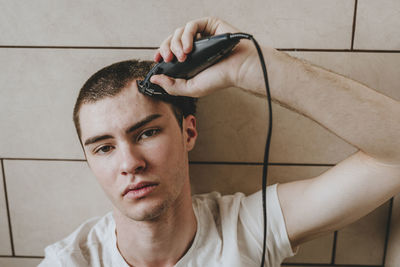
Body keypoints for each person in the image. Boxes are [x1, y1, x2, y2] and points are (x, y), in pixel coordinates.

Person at [39, 17, 400, 267]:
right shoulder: (70, 261)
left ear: (188, 132)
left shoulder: (248, 228)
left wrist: (252, 69)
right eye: (104, 147)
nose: (129, 162)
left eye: (147, 133)